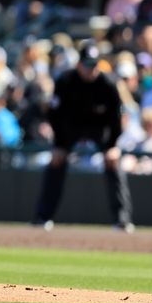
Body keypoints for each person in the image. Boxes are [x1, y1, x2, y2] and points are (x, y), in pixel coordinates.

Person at [33, 41, 134, 232]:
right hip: (71, 129)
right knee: (56, 160)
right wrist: (59, 144)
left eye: (95, 64)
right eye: (88, 64)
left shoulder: (108, 84)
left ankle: (122, 220)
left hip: (99, 129)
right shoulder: (65, 81)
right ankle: (42, 217)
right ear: (79, 64)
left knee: (113, 161)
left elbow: (116, 119)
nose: (91, 69)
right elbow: (54, 115)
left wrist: (113, 145)